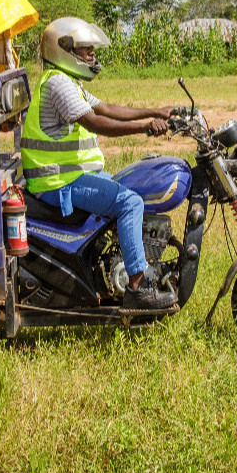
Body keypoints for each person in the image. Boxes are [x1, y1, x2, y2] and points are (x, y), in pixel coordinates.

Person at [19, 17, 177, 311]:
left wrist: (157, 110)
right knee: (129, 203)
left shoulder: (69, 81)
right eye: (85, 49)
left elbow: (107, 108)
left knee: (131, 186)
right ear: (63, 49)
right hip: (57, 182)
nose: (91, 55)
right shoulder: (57, 85)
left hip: (73, 176)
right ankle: (138, 289)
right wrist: (145, 128)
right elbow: (96, 122)